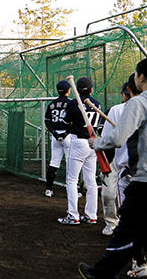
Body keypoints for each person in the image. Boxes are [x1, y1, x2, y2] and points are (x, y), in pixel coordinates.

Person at [78, 60, 147, 279]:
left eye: (136, 74)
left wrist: (96, 143)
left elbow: (117, 138)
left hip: (143, 180)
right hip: (136, 175)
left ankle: (102, 273)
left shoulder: (138, 104)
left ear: (142, 77)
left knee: (127, 228)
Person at [57, 77, 100, 226]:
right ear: (91, 89)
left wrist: (73, 126)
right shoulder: (96, 103)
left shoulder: (72, 103)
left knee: (72, 180)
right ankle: (91, 215)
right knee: (91, 181)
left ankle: (73, 215)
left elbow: (64, 122)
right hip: (92, 144)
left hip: (78, 142)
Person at [98, 82, 131, 236]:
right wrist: (106, 166)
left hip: (130, 164)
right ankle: (112, 223)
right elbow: (107, 141)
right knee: (109, 193)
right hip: (118, 161)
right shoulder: (115, 111)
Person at [44, 80, 72, 197]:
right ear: (68, 91)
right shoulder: (72, 103)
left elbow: (47, 121)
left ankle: (49, 189)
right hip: (68, 135)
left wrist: (55, 133)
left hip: (55, 135)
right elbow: (75, 121)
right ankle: (74, 190)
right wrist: (65, 134)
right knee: (71, 163)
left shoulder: (52, 104)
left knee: (54, 162)